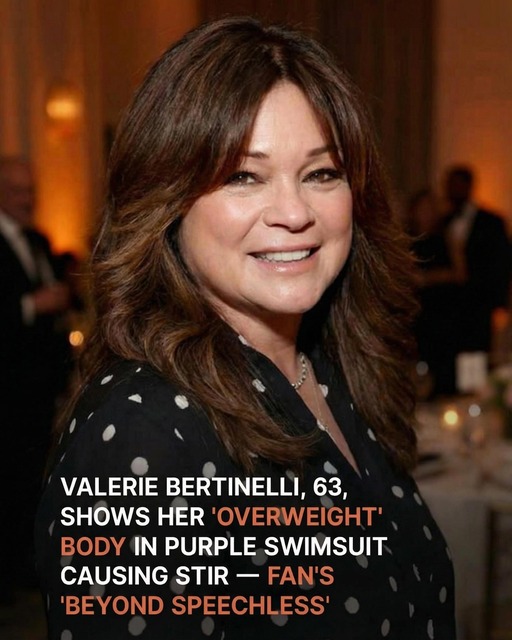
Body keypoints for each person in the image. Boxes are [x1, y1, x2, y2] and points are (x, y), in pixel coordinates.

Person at [35, 17, 456, 639]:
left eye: (321, 173)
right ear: (167, 201)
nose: (294, 213)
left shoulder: (337, 370)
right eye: (242, 176)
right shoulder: (142, 434)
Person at [0, 157, 71, 600]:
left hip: (41, 381)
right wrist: (31, 306)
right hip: (7, 385)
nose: (27, 200)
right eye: (17, 191)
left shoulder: (38, 239)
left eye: (30, 191)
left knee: (33, 472)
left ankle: (27, 560)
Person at [444, 165, 510, 355]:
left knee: (478, 355)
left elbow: (502, 263)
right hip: (450, 307)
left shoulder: (491, 222)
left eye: (457, 185)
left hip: (480, 304)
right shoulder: (444, 221)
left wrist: (498, 302)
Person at [408, 189, 465, 395]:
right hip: (418, 310)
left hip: (445, 309)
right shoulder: (406, 240)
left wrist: (428, 278)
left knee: (446, 361)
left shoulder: (446, 236)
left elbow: (460, 273)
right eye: (423, 209)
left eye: (431, 208)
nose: (427, 213)